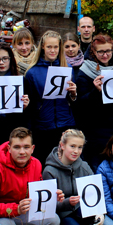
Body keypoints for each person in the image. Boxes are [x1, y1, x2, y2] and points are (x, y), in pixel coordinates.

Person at [0, 127, 63, 225]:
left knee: (54, 221)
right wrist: (16, 209)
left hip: (25, 212)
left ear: (32, 149)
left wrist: (52, 196)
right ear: (9, 148)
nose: (22, 152)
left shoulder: (36, 164)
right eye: (17, 147)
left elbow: (37, 195)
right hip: (3, 215)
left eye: (26, 147)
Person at [75, 34, 113, 168]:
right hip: (96, 131)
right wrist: (96, 91)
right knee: (98, 167)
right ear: (93, 52)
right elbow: (80, 106)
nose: (105, 55)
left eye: (108, 51)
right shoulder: (85, 72)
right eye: (100, 51)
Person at [24, 30, 78, 168]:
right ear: (42, 47)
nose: (52, 50)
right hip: (43, 126)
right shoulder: (32, 72)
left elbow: (72, 100)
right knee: (44, 164)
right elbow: (30, 103)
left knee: (65, 163)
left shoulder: (68, 68)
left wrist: (73, 94)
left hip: (65, 122)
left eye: (55, 47)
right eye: (49, 47)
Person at [41, 130, 96, 225]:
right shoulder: (49, 171)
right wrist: (67, 202)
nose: (76, 151)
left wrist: (99, 211)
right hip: (61, 214)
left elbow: (95, 192)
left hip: (80, 209)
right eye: (72, 146)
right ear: (62, 145)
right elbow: (47, 206)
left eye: (80, 147)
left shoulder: (84, 166)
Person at [0, 42, 30, 159]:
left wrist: (25, 106)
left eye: (5, 58)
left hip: (14, 131)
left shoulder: (22, 81)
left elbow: (29, 114)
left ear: (11, 59)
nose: (1, 62)